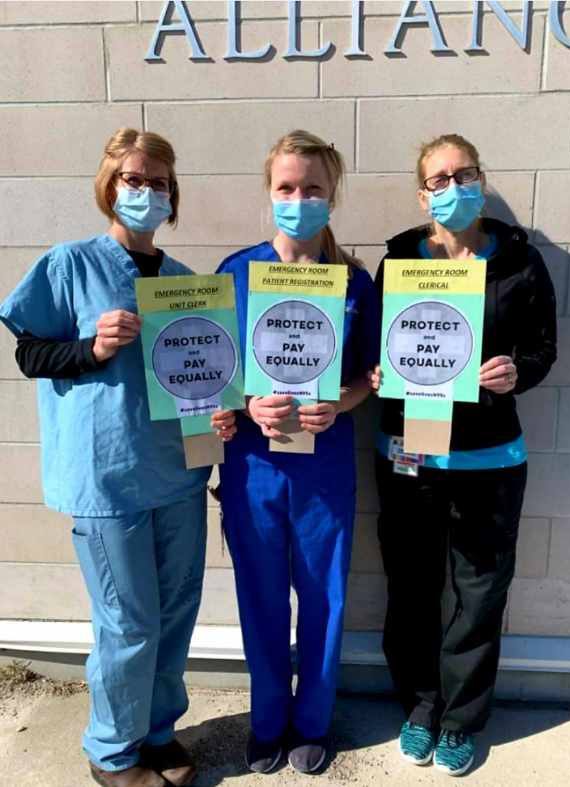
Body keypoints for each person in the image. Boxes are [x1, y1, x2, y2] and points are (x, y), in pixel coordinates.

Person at [0, 128, 236, 787]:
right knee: (128, 621)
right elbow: (29, 353)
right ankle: (112, 750)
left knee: (177, 609)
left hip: (179, 472)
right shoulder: (70, 265)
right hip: (109, 477)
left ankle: (156, 730)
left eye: (160, 182)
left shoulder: (187, 285)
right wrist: (93, 348)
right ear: (110, 185)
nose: (148, 191)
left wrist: (218, 416)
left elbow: (203, 378)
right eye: (135, 179)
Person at [372, 133, 557, 776]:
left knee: (479, 595)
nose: (453, 187)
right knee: (412, 586)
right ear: (421, 194)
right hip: (410, 454)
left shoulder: (519, 262)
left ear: (481, 179)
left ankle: (461, 719)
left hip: (490, 459)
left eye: (464, 174)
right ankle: (421, 706)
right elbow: (377, 343)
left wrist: (517, 371)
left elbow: (544, 348)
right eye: (439, 178)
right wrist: (376, 371)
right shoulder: (399, 260)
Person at [216, 130, 379, 775]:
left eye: (312, 188)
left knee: (323, 599)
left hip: (324, 466)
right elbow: (212, 373)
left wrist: (341, 404)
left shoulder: (354, 283)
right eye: (286, 187)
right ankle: (267, 721)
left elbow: (371, 376)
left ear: (331, 197)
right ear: (269, 193)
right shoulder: (235, 273)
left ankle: (313, 720)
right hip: (253, 465)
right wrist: (245, 404)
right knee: (259, 598)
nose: (299, 199)